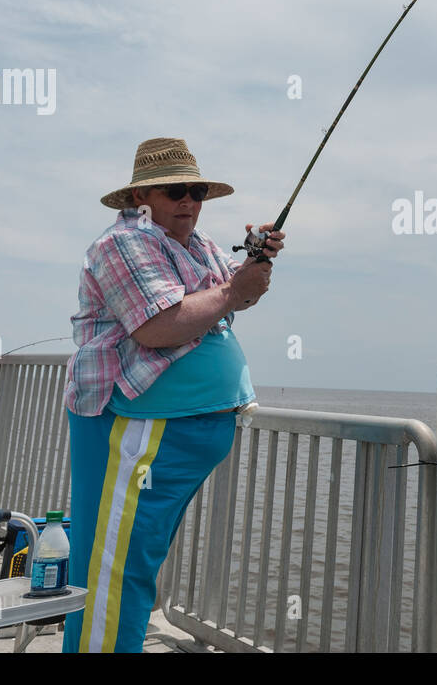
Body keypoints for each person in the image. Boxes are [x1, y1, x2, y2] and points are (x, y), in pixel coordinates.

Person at [62, 137, 282, 653]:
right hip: (138, 428)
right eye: (175, 190)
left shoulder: (198, 245)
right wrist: (233, 291)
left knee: (138, 564)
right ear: (141, 195)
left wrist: (253, 262)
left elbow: (231, 295)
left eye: (197, 191)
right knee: (115, 572)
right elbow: (158, 326)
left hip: (183, 431)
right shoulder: (121, 244)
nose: (189, 201)